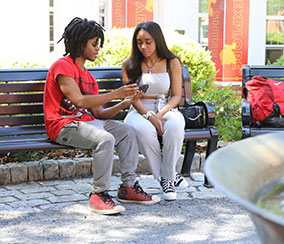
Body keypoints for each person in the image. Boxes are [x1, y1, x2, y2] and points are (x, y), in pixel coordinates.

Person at [44, 17, 161, 215]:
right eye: (94, 44)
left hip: (86, 124)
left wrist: (125, 102)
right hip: (62, 125)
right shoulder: (63, 66)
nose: (98, 48)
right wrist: (116, 93)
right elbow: (80, 101)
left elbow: (99, 113)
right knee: (105, 139)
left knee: (127, 131)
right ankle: (98, 194)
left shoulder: (89, 77)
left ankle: (129, 187)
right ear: (81, 44)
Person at [121, 21, 188, 201]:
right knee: (143, 129)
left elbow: (176, 96)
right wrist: (150, 117)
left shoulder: (171, 62)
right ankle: (167, 179)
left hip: (164, 107)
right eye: (139, 42)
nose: (143, 46)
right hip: (138, 109)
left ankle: (168, 175)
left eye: (148, 42)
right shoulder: (129, 64)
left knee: (175, 125)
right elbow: (132, 98)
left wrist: (159, 115)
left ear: (157, 40)